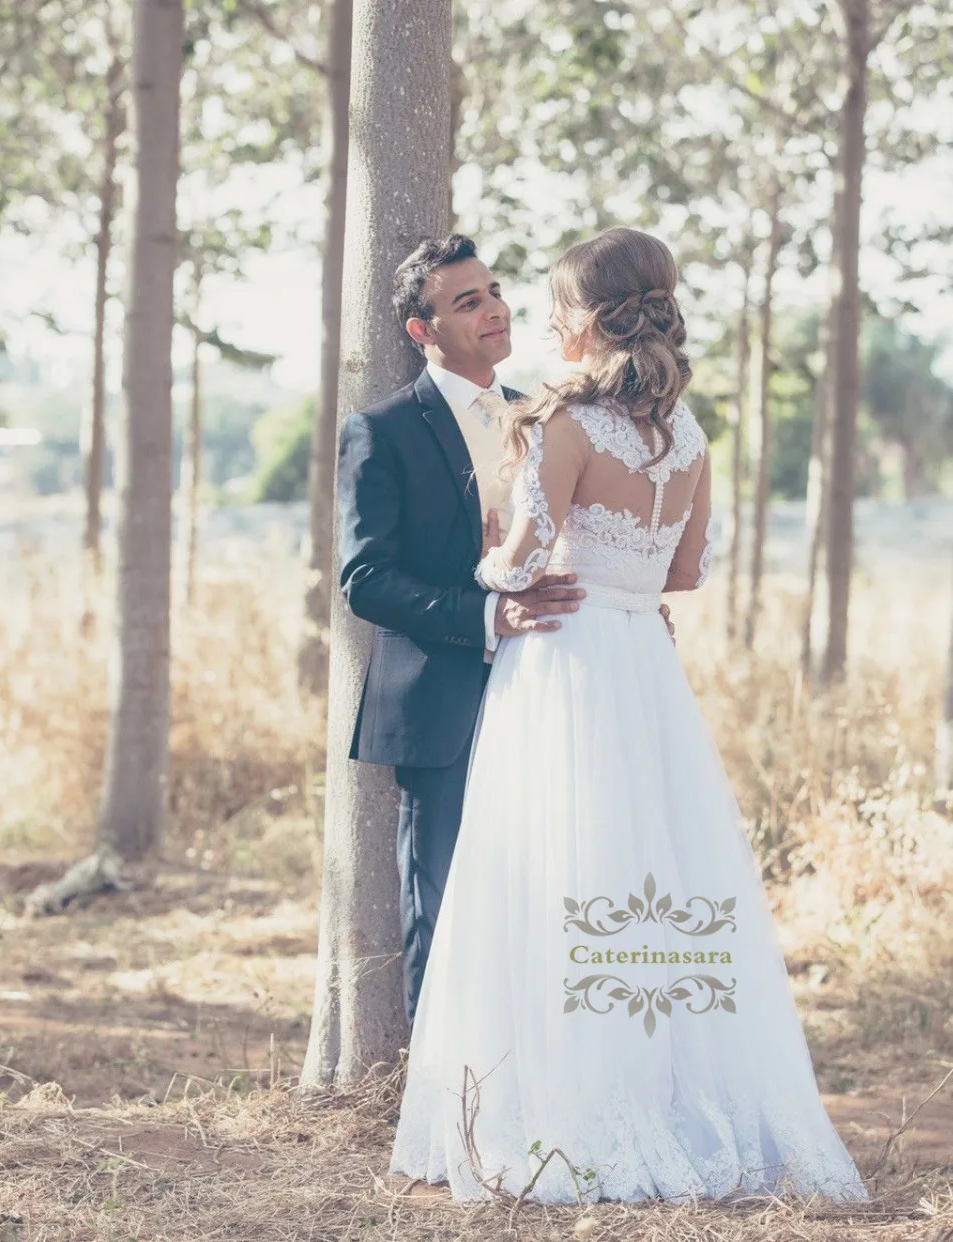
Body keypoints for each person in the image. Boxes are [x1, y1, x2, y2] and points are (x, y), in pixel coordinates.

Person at [387, 227, 869, 1205]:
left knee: (556, 870)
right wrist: (623, 573)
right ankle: (660, 1091)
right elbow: (684, 573)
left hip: (563, 665)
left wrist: (496, 556)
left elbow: (517, 568)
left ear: (586, 322)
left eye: (556, 308)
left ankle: (564, 1104)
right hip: (643, 666)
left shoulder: (564, 425)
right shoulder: (688, 438)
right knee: (648, 867)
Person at [335, 234, 676, 1031]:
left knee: (555, 894)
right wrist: (490, 613)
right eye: (467, 302)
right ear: (423, 331)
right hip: (443, 700)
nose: (494, 309)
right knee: (447, 904)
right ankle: (437, 1106)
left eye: (492, 291)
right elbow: (365, 581)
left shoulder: (554, 414)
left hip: (559, 688)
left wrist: (623, 599)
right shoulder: (381, 430)